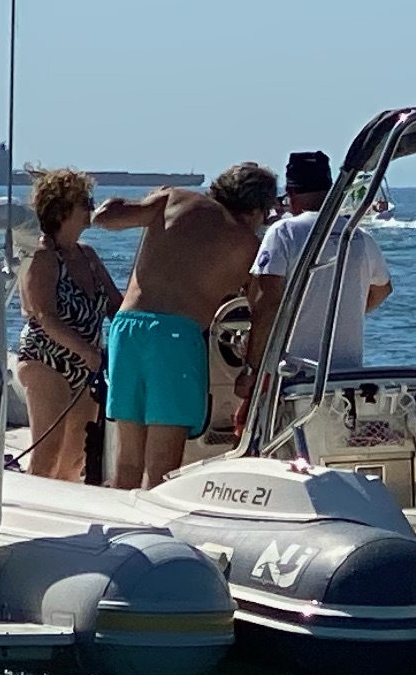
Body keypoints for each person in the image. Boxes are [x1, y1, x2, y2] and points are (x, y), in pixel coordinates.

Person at [93, 162, 279, 489]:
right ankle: (154, 520)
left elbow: (106, 217)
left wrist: (135, 203)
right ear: (255, 210)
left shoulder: (174, 198)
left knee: (127, 459)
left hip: (127, 328)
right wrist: (250, 368)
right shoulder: (248, 244)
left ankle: (120, 518)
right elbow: (263, 310)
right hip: (175, 338)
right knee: (163, 465)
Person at [246, 148, 393, 384]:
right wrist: (341, 311)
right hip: (348, 375)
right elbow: (383, 289)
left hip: (293, 373)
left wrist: (252, 369)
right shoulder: (359, 236)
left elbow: (268, 302)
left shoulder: (283, 232)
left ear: (290, 192)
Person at [16, 166, 120, 482]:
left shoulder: (88, 255)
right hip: (46, 359)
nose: (92, 208)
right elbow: (44, 315)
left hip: (87, 367)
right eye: (84, 202)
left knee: (76, 457)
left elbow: (116, 306)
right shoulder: (42, 257)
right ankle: (32, 503)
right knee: (47, 452)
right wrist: (86, 352)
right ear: (62, 210)